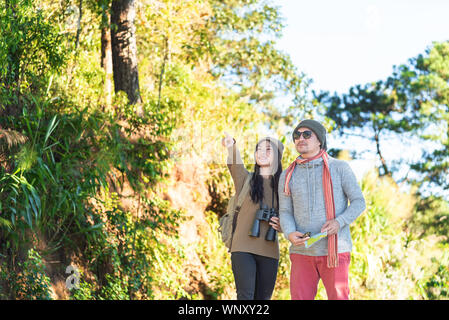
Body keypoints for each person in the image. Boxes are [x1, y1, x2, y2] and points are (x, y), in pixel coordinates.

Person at [278, 119, 366, 300]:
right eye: (297, 135)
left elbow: (359, 202)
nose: (300, 138)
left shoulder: (340, 168)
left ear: (320, 140)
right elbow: (285, 211)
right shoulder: (287, 175)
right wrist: (289, 233)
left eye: (307, 134)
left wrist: (339, 222)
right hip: (302, 252)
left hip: (335, 250)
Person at [222, 131, 284, 300]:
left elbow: (292, 216)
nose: (261, 153)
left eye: (268, 150)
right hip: (242, 248)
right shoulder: (245, 180)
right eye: (258, 149)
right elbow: (236, 164)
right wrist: (231, 145)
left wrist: (282, 225)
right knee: (245, 297)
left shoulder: (284, 188)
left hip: (270, 251)